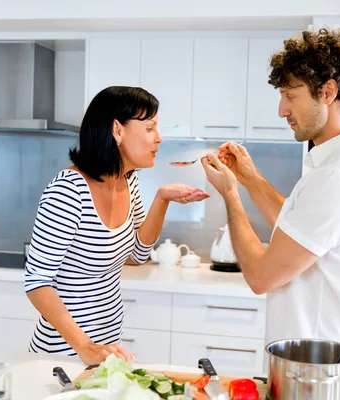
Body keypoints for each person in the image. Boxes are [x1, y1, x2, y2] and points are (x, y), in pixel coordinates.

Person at [201, 28, 340, 383]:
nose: (281, 110)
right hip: (322, 366)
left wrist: (230, 194)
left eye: (291, 95)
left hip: (322, 374)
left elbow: (260, 276)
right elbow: (299, 229)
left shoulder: (338, 176)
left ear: (328, 92)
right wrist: (251, 179)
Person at [25, 86, 209, 365]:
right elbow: (37, 282)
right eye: (150, 128)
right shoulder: (68, 190)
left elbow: (137, 256)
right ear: (117, 130)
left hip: (108, 349)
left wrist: (161, 200)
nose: (158, 138)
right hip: (64, 355)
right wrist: (84, 346)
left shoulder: (128, 180)